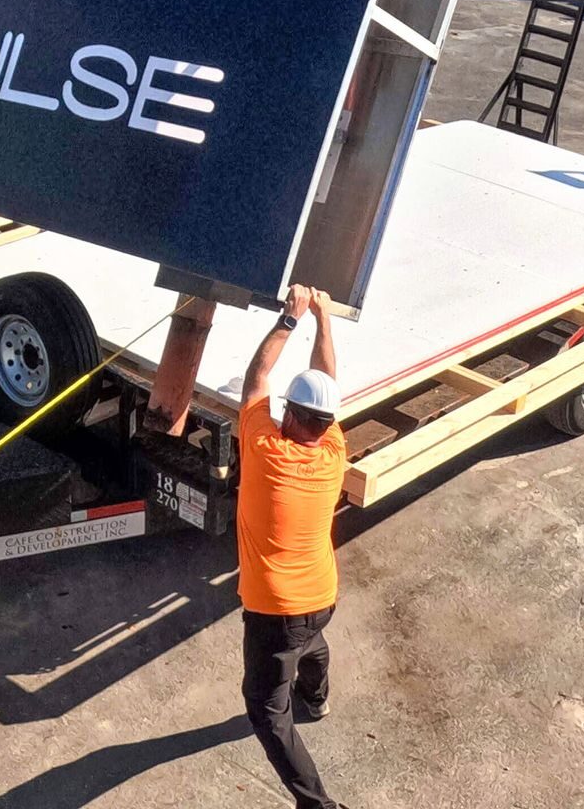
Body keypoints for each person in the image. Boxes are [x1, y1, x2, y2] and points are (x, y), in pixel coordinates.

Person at [236, 283, 348, 809]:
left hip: (276, 608)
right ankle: (317, 697)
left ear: (291, 416)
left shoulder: (264, 450)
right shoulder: (334, 451)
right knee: (309, 639)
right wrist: (325, 318)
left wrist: (291, 319)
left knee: (264, 708)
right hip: (320, 596)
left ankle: (318, 805)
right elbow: (325, 381)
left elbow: (257, 378)